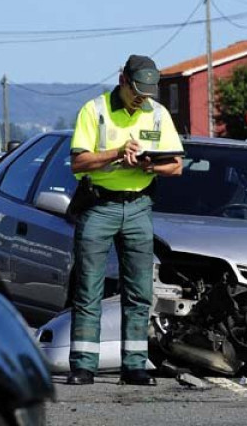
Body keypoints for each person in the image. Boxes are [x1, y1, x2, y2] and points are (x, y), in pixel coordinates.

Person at [67, 55, 183, 386]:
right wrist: (117, 153)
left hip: (138, 207)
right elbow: (79, 162)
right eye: (136, 90)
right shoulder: (95, 110)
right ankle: (83, 365)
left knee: (139, 290)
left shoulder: (157, 114)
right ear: (122, 79)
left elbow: (176, 165)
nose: (141, 98)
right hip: (99, 206)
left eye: (147, 93)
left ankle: (134, 364)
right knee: (88, 287)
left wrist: (150, 166)